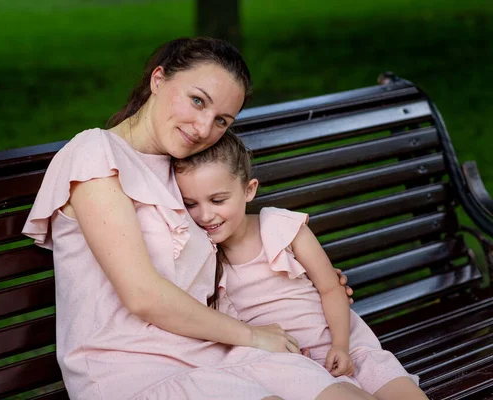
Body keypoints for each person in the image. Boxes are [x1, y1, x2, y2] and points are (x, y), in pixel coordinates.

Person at [23, 37, 371, 400]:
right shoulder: (95, 155)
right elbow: (144, 296)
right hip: (130, 370)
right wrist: (252, 335)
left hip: (210, 351)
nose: (204, 128)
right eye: (197, 100)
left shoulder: (184, 172)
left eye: (222, 120)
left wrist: (316, 278)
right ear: (158, 80)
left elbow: (224, 255)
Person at [173, 130, 428, 400]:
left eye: (217, 200)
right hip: (291, 369)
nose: (205, 215)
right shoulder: (202, 258)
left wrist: (340, 345)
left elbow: (331, 288)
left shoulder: (282, 229)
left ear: (249, 190)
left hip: (344, 345)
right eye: (190, 204)